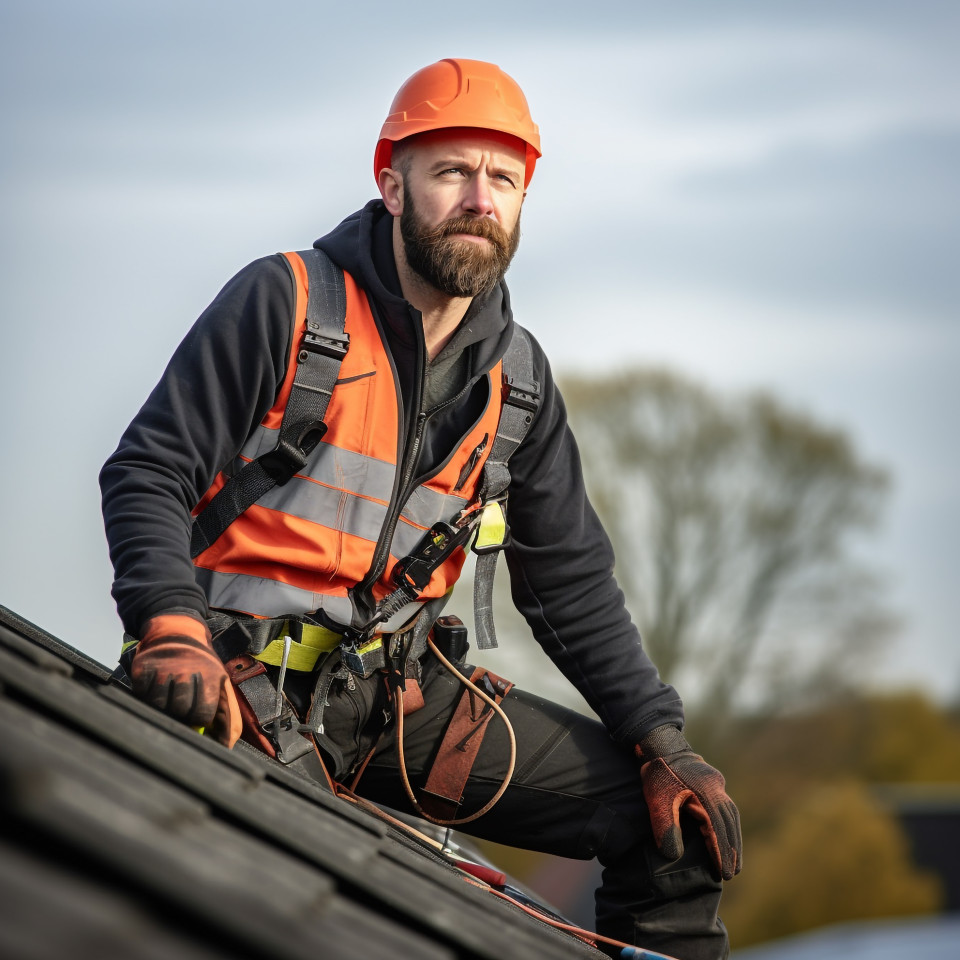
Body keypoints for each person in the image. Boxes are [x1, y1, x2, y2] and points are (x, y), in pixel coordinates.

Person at [100, 58, 741, 960]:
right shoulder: (286, 301)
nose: (480, 198)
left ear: (523, 199)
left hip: (397, 707)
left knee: (672, 830)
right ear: (391, 182)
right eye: (452, 172)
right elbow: (147, 470)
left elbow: (571, 585)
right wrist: (170, 626)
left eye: (503, 179)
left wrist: (660, 739)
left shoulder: (519, 383)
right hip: (231, 684)